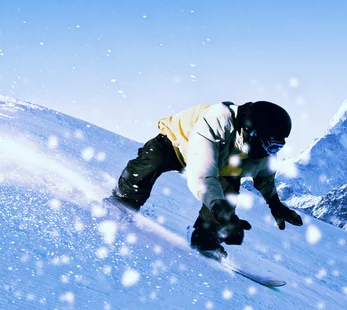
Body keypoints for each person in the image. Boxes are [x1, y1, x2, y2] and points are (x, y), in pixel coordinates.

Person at [105, 101, 303, 258]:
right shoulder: (216, 122)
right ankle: (124, 200)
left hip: (222, 163)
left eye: (278, 147)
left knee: (229, 191)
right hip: (177, 144)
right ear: (251, 131)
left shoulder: (261, 151)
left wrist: (275, 205)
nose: (272, 152)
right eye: (271, 145)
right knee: (151, 163)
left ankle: (206, 237)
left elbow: (265, 178)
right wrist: (223, 212)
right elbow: (202, 176)